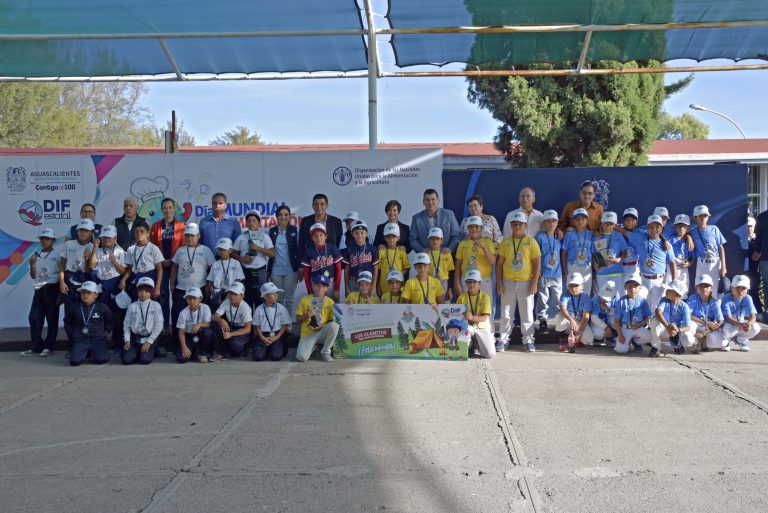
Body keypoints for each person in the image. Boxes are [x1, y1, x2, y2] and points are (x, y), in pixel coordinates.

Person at [496, 211, 541, 352]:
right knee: (506, 313)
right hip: (507, 282)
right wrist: (499, 282)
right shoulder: (505, 242)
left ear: (525, 225)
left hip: (526, 283)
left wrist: (534, 283)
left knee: (527, 313)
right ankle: (503, 339)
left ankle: (528, 340)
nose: (517, 227)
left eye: (520, 224)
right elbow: (499, 264)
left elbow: (537, 262)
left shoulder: (530, 241)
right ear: (511, 225)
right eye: (514, 224)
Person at [170, 223, 215, 352]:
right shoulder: (180, 250)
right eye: (187, 236)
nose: (190, 239)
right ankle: (178, 347)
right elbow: (174, 267)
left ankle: (200, 348)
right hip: (181, 289)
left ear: (198, 236)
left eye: (192, 236)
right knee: (177, 316)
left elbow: (212, 268)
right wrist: (172, 284)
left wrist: (209, 284)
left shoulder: (206, 250)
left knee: (200, 318)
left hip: (199, 289)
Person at [22, 227, 60, 357]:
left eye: (47, 239)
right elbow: (34, 276)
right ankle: (36, 346)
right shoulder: (36, 255)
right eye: (42, 239)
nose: (44, 241)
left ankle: (49, 346)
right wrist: (32, 266)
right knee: (34, 318)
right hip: (38, 290)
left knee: (51, 319)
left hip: (52, 288)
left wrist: (60, 294)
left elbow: (61, 274)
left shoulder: (58, 255)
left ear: (53, 240)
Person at [150, 197, 185, 335]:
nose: (168, 210)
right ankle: (163, 328)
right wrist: (161, 261)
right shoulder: (155, 226)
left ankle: (178, 329)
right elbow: (152, 246)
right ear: (161, 210)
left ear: (174, 209)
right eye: (165, 208)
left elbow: (182, 246)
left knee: (177, 296)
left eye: (170, 207)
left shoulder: (182, 226)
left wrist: (171, 260)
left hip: (176, 265)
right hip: (160, 266)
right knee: (161, 297)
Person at [85, 225, 126, 342]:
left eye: (109, 237)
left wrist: (115, 262)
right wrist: (94, 248)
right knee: (100, 316)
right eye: (104, 238)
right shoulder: (97, 251)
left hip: (115, 286)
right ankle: (99, 342)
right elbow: (92, 266)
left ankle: (118, 344)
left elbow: (123, 271)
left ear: (115, 238)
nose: (106, 240)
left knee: (117, 317)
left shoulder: (120, 251)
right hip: (101, 288)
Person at [627, 215, 676, 311]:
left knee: (655, 307)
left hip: (659, 280)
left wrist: (674, 281)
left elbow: (672, 262)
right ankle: (642, 325)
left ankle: (652, 325)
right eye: (651, 227)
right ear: (647, 228)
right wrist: (615, 227)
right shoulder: (640, 237)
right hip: (643, 279)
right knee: (640, 305)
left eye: (657, 227)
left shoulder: (666, 244)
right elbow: (625, 232)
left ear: (662, 228)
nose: (654, 229)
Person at [233, 210, 275, 310]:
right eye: (249, 221)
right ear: (246, 223)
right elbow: (232, 253)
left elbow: (272, 253)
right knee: (246, 300)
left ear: (258, 223)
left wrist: (258, 248)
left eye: (254, 221)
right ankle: (249, 325)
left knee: (261, 300)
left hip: (260, 273)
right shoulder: (241, 237)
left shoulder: (264, 236)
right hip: (245, 273)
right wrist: (241, 259)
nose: (251, 223)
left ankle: (259, 325)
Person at [64, 281, 113, 366]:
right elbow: (67, 322)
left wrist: (105, 333)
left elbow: (110, 320)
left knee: (103, 359)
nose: (85, 295)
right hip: (81, 340)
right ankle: (85, 352)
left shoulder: (102, 307)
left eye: (88, 293)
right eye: (83, 292)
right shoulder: (75, 307)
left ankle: (92, 352)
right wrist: (73, 335)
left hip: (97, 339)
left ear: (96, 295)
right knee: (74, 361)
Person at [295, 274, 340, 362]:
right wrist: (306, 315)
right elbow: (297, 320)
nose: (320, 288)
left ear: (327, 288)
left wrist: (322, 326)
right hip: (308, 334)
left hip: (322, 332)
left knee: (335, 326)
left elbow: (332, 320)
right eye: (317, 285)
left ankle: (325, 352)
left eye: (323, 286)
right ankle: (314, 347)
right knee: (301, 357)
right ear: (313, 286)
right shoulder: (304, 300)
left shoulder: (329, 301)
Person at [122, 276, 163, 365]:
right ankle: (138, 352)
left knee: (145, 360)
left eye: (147, 291)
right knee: (126, 360)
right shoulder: (132, 306)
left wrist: (149, 342)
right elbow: (126, 325)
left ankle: (154, 349)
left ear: (151, 292)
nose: (143, 293)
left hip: (150, 338)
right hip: (136, 338)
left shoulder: (156, 305)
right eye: (140, 290)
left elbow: (159, 326)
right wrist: (127, 340)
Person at [268, 205, 300, 316]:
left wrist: (300, 267)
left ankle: (289, 326)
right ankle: (279, 325)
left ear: (290, 216)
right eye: (280, 214)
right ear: (277, 216)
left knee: (289, 299)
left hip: (291, 270)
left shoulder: (296, 230)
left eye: (286, 214)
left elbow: (299, 250)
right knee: (277, 299)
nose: (283, 217)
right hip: (275, 271)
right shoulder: (271, 231)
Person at [454, 216, 496, 299]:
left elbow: (493, 261)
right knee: (467, 308)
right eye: (471, 227)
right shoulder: (462, 244)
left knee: (486, 307)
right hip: (466, 280)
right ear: (467, 229)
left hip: (484, 280)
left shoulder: (488, 242)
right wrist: (457, 283)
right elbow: (458, 265)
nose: (474, 229)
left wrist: (484, 248)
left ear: (482, 228)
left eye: (476, 226)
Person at [120, 219, 163, 300]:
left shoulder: (153, 248)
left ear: (147, 233)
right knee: (136, 305)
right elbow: (129, 269)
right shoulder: (130, 249)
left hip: (150, 280)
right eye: (136, 232)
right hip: (136, 280)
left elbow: (160, 269)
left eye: (142, 231)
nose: (139, 234)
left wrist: (157, 287)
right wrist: (123, 280)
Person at [689, 205, 727, 296]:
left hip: (715, 262)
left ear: (708, 217)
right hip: (702, 263)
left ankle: (716, 309)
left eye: (705, 216)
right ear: (695, 217)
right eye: (700, 216)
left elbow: (721, 247)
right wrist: (688, 237)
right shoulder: (693, 232)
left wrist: (724, 266)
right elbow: (684, 235)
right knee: (701, 288)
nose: (702, 218)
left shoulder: (714, 229)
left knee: (716, 290)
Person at [457, 270, 495, 358]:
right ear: (466, 283)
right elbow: (457, 315)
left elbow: (485, 318)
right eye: (469, 282)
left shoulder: (485, 297)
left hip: (482, 327)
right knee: (461, 352)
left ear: (480, 283)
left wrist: (472, 317)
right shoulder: (461, 297)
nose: (471, 284)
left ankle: (477, 344)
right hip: (467, 327)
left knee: (490, 354)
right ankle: (470, 346)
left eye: (474, 282)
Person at [409, 188, 461, 253]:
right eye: (427, 200)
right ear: (423, 202)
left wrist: (450, 249)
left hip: (446, 257)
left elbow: (456, 236)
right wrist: (421, 250)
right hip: (426, 259)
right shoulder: (416, 218)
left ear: (438, 200)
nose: (430, 202)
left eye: (433, 199)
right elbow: (412, 239)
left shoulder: (449, 215)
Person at [650, 279, 694, 356]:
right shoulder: (664, 300)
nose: (666, 291)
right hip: (666, 328)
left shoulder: (685, 306)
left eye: (669, 290)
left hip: (676, 331)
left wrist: (677, 330)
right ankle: (656, 347)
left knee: (688, 338)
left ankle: (677, 345)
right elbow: (658, 312)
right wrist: (668, 327)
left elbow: (687, 327)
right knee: (654, 321)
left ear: (678, 294)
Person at [612, 273, 652, 354]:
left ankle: (636, 342)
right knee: (621, 350)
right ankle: (620, 339)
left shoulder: (643, 301)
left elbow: (646, 317)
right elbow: (616, 320)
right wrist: (620, 335)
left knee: (650, 337)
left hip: (637, 327)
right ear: (625, 287)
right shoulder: (620, 302)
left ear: (640, 287)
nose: (632, 288)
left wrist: (640, 324)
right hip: (625, 328)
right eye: (630, 286)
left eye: (635, 286)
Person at [535, 210, 562, 332]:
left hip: (557, 274)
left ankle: (561, 321)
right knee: (543, 299)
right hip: (544, 273)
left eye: (554, 221)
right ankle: (542, 321)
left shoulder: (559, 236)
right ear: (544, 223)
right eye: (548, 221)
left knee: (558, 299)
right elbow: (536, 256)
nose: (551, 224)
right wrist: (538, 271)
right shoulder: (539, 237)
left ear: (557, 223)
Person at [301, 223, 342, 301]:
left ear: (325, 236)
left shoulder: (332, 248)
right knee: (317, 308)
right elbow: (306, 274)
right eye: (315, 236)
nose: (318, 238)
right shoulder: (309, 251)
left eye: (321, 235)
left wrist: (337, 289)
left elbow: (338, 270)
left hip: (330, 282)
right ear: (312, 238)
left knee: (333, 307)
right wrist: (309, 291)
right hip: (316, 283)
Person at [60, 218, 95, 305]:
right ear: (77, 231)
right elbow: (62, 264)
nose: (83, 232)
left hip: (84, 280)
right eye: (81, 230)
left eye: (86, 230)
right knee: (69, 310)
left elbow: (88, 271)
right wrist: (62, 281)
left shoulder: (92, 247)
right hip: (68, 280)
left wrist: (87, 259)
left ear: (91, 233)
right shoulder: (68, 244)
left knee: (82, 309)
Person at [212, 282, 252, 359]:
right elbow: (214, 316)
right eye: (230, 293)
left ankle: (243, 350)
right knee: (216, 326)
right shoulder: (226, 302)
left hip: (241, 329)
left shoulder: (245, 307)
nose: (232, 297)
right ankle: (220, 352)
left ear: (242, 295)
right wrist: (221, 320)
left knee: (236, 345)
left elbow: (248, 329)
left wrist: (231, 334)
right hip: (230, 326)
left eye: (235, 294)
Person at [252, 282, 291, 362]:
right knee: (258, 357)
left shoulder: (281, 308)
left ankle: (271, 349)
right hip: (263, 335)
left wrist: (277, 337)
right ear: (265, 296)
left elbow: (284, 325)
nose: (276, 295)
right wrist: (262, 337)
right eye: (273, 294)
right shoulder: (259, 309)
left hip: (277, 334)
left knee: (276, 357)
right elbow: (257, 326)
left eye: (276, 293)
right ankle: (266, 349)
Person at [298, 193, 343, 261]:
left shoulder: (336, 222)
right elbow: (301, 244)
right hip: (310, 263)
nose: (319, 206)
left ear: (327, 205)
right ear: (313, 206)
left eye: (322, 204)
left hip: (331, 264)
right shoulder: (305, 221)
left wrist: (339, 263)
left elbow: (340, 244)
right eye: (316, 204)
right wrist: (300, 265)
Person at [555, 272, 593, 352]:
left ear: (582, 286)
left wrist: (579, 332)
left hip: (580, 321)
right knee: (560, 318)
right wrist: (571, 320)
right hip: (569, 319)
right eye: (571, 286)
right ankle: (563, 341)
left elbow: (586, 317)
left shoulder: (586, 297)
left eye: (576, 285)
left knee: (588, 339)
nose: (573, 288)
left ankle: (576, 341)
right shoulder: (565, 294)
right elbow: (562, 308)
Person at [721, 275, 761, 351]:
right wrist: (741, 325)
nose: (740, 290)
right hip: (729, 323)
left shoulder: (748, 298)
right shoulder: (726, 298)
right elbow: (728, 318)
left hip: (741, 323)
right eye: (737, 288)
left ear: (747, 289)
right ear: (732, 288)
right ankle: (726, 342)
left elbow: (753, 316)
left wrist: (749, 324)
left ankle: (741, 340)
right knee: (727, 329)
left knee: (755, 328)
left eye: (743, 288)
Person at [687, 274, 726, 352]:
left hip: (708, 327)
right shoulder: (692, 298)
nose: (704, 288)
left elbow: (720, 321)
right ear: (696, 288)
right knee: (689, 325)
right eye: (701, 286)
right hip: (696, 323)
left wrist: (708, 330)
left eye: (707, 286)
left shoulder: (715, 302)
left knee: (722, 342)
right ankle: (695, 343)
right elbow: (688, 315)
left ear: (711, 288)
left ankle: (704, 340)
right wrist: (706, 322)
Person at [592, 212, 628, 293]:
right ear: (601, 224)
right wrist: (594, 263)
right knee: (603, 299)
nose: (608, 226)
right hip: (601, 272)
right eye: (606, 223)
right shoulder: (596, 236)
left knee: (618, 298)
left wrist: (619, 259)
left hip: (616, 272)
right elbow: (594, 253)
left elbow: (625, 251)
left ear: (615, 225)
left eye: (611, 223)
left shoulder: (618, 235)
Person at [175, 287, 213, 363]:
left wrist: (199, 324)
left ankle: (203, 354)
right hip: (189, 336)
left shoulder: (205, 307)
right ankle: (194, 353)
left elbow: (210, 324)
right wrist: (184, 348)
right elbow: (181, 332)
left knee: (208, 332)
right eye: (189, 298)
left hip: (201, 334)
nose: (191, 301)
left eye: (194, 298)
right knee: (181, 358)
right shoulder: (183, 312)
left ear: (200, 299)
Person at [560, 208, 594, 293]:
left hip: (587, 268)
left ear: (587, 220)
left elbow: (593, 253)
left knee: (586, 293)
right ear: (574, 221)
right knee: (572, 292)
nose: (580, 221)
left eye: (583, 219)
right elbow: (563, 252)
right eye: (577, 219)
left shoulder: (592, 234)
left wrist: (593, 270)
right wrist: (565, 271)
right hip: (572, 266)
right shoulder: (569, 234)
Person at [206, 237, 245, 311]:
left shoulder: (236, 263)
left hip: (231, 294)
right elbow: (210, 281)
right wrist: (213, 292)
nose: (222, 252)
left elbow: (238, 281)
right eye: (220, 249)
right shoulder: (215, 264)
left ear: (230, 250)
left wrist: (230, 294)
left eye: (224, 249)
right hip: (217, 294)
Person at [343, 220, 379, 294]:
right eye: (356, 233)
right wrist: (346, 287)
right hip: (353, 280)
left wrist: (374, 285)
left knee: (368, 303)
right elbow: (346, 269)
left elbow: (375, 268)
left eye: (362, 232)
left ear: (366, 233)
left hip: (368, 281)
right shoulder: (349, 249)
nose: (359, 235)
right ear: (352, 234)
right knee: (353, 303)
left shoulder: (372, 249)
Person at [377, 223, 410, 296]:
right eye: (388, 237)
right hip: (384, 285)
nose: (391, 239)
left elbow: (406, 267)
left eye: (393, 237)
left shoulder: (402, 252)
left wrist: (399, 275)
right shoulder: (381, 252)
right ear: (385, 238)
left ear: (398, 237)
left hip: (398, 286)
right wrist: (377, 284)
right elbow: (377, 269)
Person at [669, 214, 694, 291]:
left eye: (684, 226)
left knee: (683, 290)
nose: (681, 228)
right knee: (670, 289)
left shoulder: (689, 241)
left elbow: (692, 256)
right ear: (675, 227)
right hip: (671, 269)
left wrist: (689, 263)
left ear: (688, 228)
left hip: (683, 269)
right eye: (679, 226)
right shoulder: (670, 239)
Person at [590, 280, 618, 347]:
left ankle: (612, 337)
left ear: (613, 297)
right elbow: (594, 318)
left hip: (609, 317)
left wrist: (608, 310)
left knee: (617, 322)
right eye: (602, 296)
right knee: (598, 333)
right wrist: (606, 328)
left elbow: (618, 313)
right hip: (599, 320)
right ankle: (598, 339)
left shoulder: (616, 297)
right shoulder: (595, 299)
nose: (603, 299)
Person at [746, 217, 762, 313]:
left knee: (753, 291)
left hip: (754, 271)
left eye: (751, 226)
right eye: (747, 226)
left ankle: (758, 312)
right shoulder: (740, 240)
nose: (749, 228)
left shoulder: (759, 241)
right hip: (743, 270)